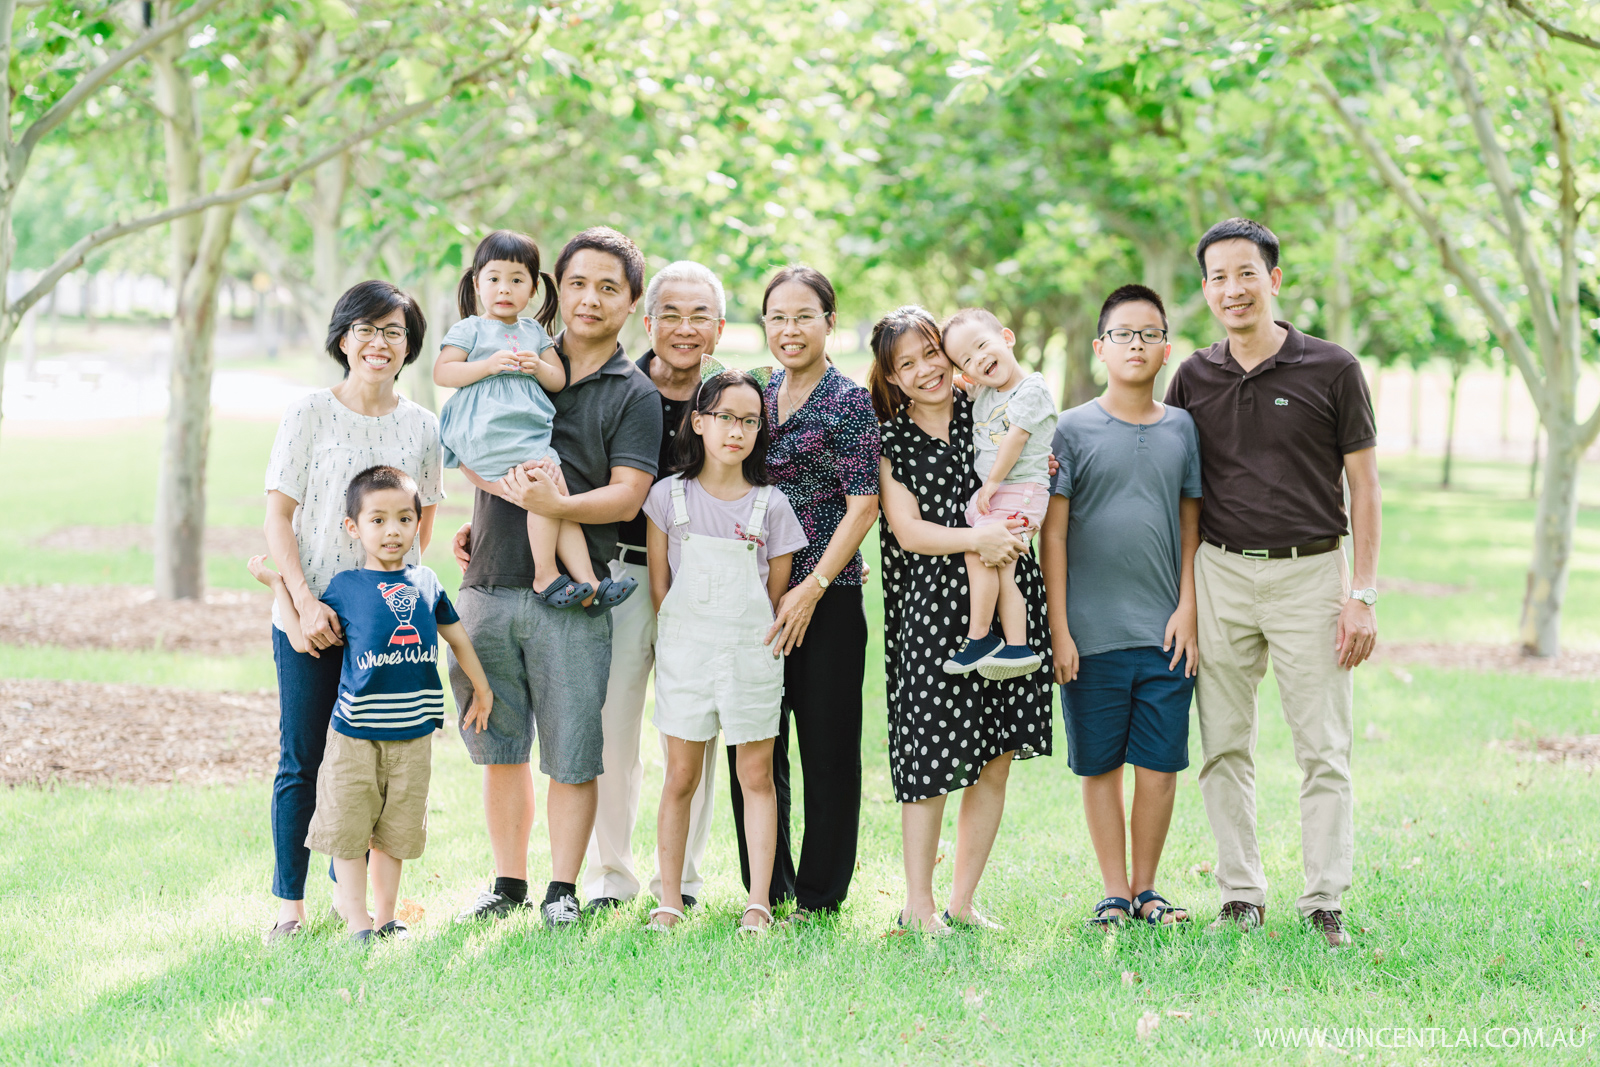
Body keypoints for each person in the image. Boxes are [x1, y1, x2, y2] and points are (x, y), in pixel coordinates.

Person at [1166, 218, 1381, 949]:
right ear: (1206, 290)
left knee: (1322, 747)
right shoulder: (1192, 376)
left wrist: (1364, 593)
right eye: (1219, 277)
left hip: (1313, 575)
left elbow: (1366, 486)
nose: (1233, 288)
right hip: (1220, 572)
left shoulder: (1333, 368)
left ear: (1274, 280)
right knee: (1223, 745)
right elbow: (1170, 479)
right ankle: (1240, 894)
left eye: (1246, 273)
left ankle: (1323, 899)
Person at [448, 227, 664, 927]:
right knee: (500, 744)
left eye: (609, 287)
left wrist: (554, 504)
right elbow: (467, 446)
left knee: (573, 749)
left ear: (631, 302)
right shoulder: (505, 351)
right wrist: (490, 510)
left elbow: (629, 494)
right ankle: (508, 880)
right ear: (554, 290)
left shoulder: (633, 392)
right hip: (487, 577)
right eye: (577, 283)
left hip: (573, 594)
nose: (590, 298)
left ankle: (563, 887)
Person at [260, 280, 443, 942]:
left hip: (384, 631)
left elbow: (421, 529)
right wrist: (303, 602)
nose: (378, 342)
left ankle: (362, 908)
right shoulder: (309, 411)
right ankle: (290, 906)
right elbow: (279, 517)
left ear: (409, 348)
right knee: (303, 756)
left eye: (393, 331)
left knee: (376, 763)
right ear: (342, 338)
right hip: (307, 619)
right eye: (366, 328)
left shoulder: (422, 424)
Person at [250, 466, 494, 941]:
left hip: (414, 739)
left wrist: (481, 689)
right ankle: (357, 919)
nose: (392, 531)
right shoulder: (344, 588)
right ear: (353, 528)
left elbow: (458, 638)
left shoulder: (426, 583)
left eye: (404, 519)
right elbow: (302, 641)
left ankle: (386, 918)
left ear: (418, 523)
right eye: (377, 520)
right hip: (355, 739)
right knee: (349, 828)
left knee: (396, 832)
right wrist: (278, 584)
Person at [869, 306, 1053, 934]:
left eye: (932, 354)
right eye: (908, 365)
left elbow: (1038, 469)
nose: (926, 371)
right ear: (893, 378)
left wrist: (1010, 532)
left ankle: (962, 900)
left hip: (1009, 598)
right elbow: (909, 531)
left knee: (995, 755)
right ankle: (918, 905)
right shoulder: (889, 440)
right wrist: (980, 539)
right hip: (931, 613)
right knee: (930, 761)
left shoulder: (993, 411)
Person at [1039, 284, 1202, 929]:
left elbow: (1191, 524)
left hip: (1166, 631)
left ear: (1166, 348)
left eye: (1149, 334)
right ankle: (1113, 890)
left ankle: (1147, 889)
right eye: (1123, 334)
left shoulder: (1183, 428)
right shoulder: (1072, 427)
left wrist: (1188, 605)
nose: (1136, 344)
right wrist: (1060, 627)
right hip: (1090, 633)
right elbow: (1052, 534)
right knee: (1100, 766)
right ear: (1102, 346)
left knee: (1159, 768)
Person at [729, 265, 880, 919]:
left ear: (829, 322)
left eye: (803, 316)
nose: (789, 330)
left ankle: (819, 894)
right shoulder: (754, 396)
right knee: (755, 742)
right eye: (777, 318)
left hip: (828, 600)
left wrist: (814, 586)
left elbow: (863, 504)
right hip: (755, 599)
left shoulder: (850, 402)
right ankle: (767, 885)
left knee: (826, 748)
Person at [584, 261, 730, 914]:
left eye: (700, 314)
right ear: (648, 320)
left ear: (719, 328)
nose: (684, 327)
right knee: (612, 730)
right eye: (671, 312)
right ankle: (611, 877)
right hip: (622, 571)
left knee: (694, 732)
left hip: (703, 582)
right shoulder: (615, 386)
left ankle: (687, 879)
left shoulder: (733, 400)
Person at [641, 371, 808, 933]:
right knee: (680, 776)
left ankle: (758, 900)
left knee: (755, 774)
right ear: (699, 422)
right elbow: (660, 587)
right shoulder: (667, 497)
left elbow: (773, 594)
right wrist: (685, 633)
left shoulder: (772, 505)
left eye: (749, 420)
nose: (737, 430)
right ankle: (669, 898)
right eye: (725, 418)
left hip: (749, 653)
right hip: (686, 652)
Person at [434, 230, 633, 614]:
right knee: (544, 488)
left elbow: (557, 379)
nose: (503, 289)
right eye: (493, 279)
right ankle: (545, 575)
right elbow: (443, 373)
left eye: (516, 280)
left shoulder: (534, 333)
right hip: (489, 432)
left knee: (557, 497)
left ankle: (589, 583)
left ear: (533, 289)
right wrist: (487, 366)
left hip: (524, 436)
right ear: (477, 284)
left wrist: (537, 365)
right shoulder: (471, 329)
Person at [939, 308, 1055, 679]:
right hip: (1006, 492)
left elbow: (1016, 440)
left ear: (1007, 337)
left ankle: (981, 637)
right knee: (999, 567)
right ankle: (1017, 647)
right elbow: (964, 385)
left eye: (982, 345)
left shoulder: (1032, 389)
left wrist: (990, 482)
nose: (978, 360)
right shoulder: (986, 392)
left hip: (1019, 491)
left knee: (981, 553)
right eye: (967, 359)